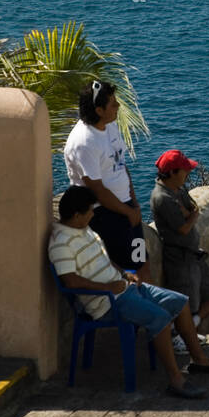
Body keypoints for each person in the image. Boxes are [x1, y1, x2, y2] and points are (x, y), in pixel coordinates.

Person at [49, 185, 209, 399]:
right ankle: (176, 380)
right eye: (89, 210)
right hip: (107, 302)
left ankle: (199, 361)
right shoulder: (60, 243)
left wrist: (124, 273)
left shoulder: (84, 229)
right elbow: (70, 280)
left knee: (180, 302)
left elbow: (104, 259)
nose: (93, 213)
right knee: (160, 318)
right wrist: (108, 288)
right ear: (77, 214)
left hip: (124, 288)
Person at [63, 80, 148, 282]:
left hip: (127, 208)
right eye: (113, 104)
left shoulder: (109, 127)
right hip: (106, 214)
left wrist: (134, 203)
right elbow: (97, 190)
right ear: (99, 110)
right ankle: (134, 309)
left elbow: (121, 166)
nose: (118, 106)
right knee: (126, 270)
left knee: (142, 261)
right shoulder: (84, 142)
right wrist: (128, 212)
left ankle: (149, 303)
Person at [150, 149, 209, 355]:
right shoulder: (162, 198)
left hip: (193, 255)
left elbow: (192, 208)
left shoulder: (178, 190)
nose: (188, 174)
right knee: (186, 304)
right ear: (172, 172)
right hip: (179, 259)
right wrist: (192, 215)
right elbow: (183, 227)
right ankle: (179, 339)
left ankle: (189, 329)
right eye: (184, 171)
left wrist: (190, 214)